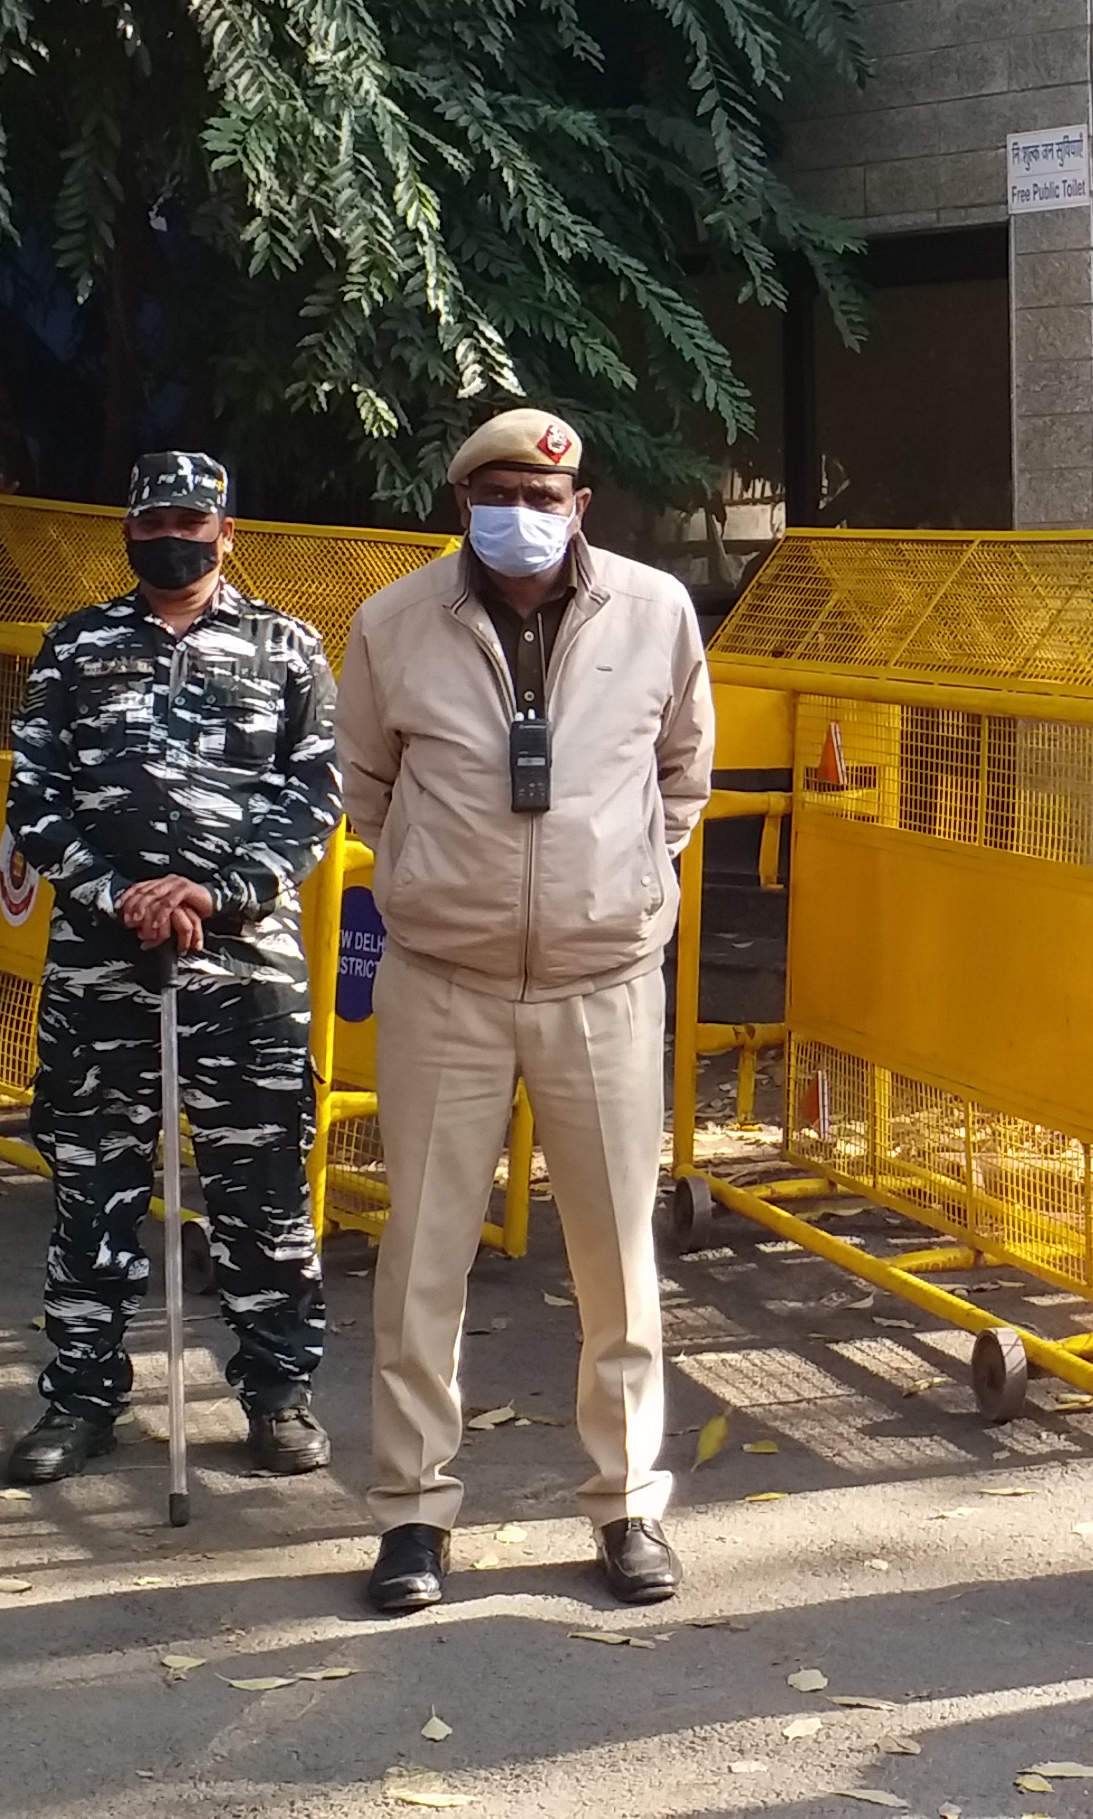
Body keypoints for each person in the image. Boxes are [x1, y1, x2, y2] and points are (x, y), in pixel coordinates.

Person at [339, 409, 709, 1616]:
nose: (526, 513)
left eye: (548, 496)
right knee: (424, 1255)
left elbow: (682, 775)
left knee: (618, 1260)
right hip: (444, 979)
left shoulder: (655, 612)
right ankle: (411, 1511)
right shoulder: (396, 624)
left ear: (582, 506)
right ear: (462, 504)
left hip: (603, 982)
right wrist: (445, 885)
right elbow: (366, 786)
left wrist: (626, 884)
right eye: (500, 492)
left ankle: (625, 1504)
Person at [1, 453, 338, 1486]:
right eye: (151, 521)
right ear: (129, 531)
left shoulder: (287, 649)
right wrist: (117, 895)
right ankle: (82, 1398)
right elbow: (35, 800)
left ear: (227, 531)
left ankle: (278, 1395)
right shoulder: (74, 646)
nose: (169, 536)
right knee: (92, 1183)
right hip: (101, 964)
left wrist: (214, 893)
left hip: (244, 963)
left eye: (190, 519)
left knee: (263, 1182)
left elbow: (314, 797)